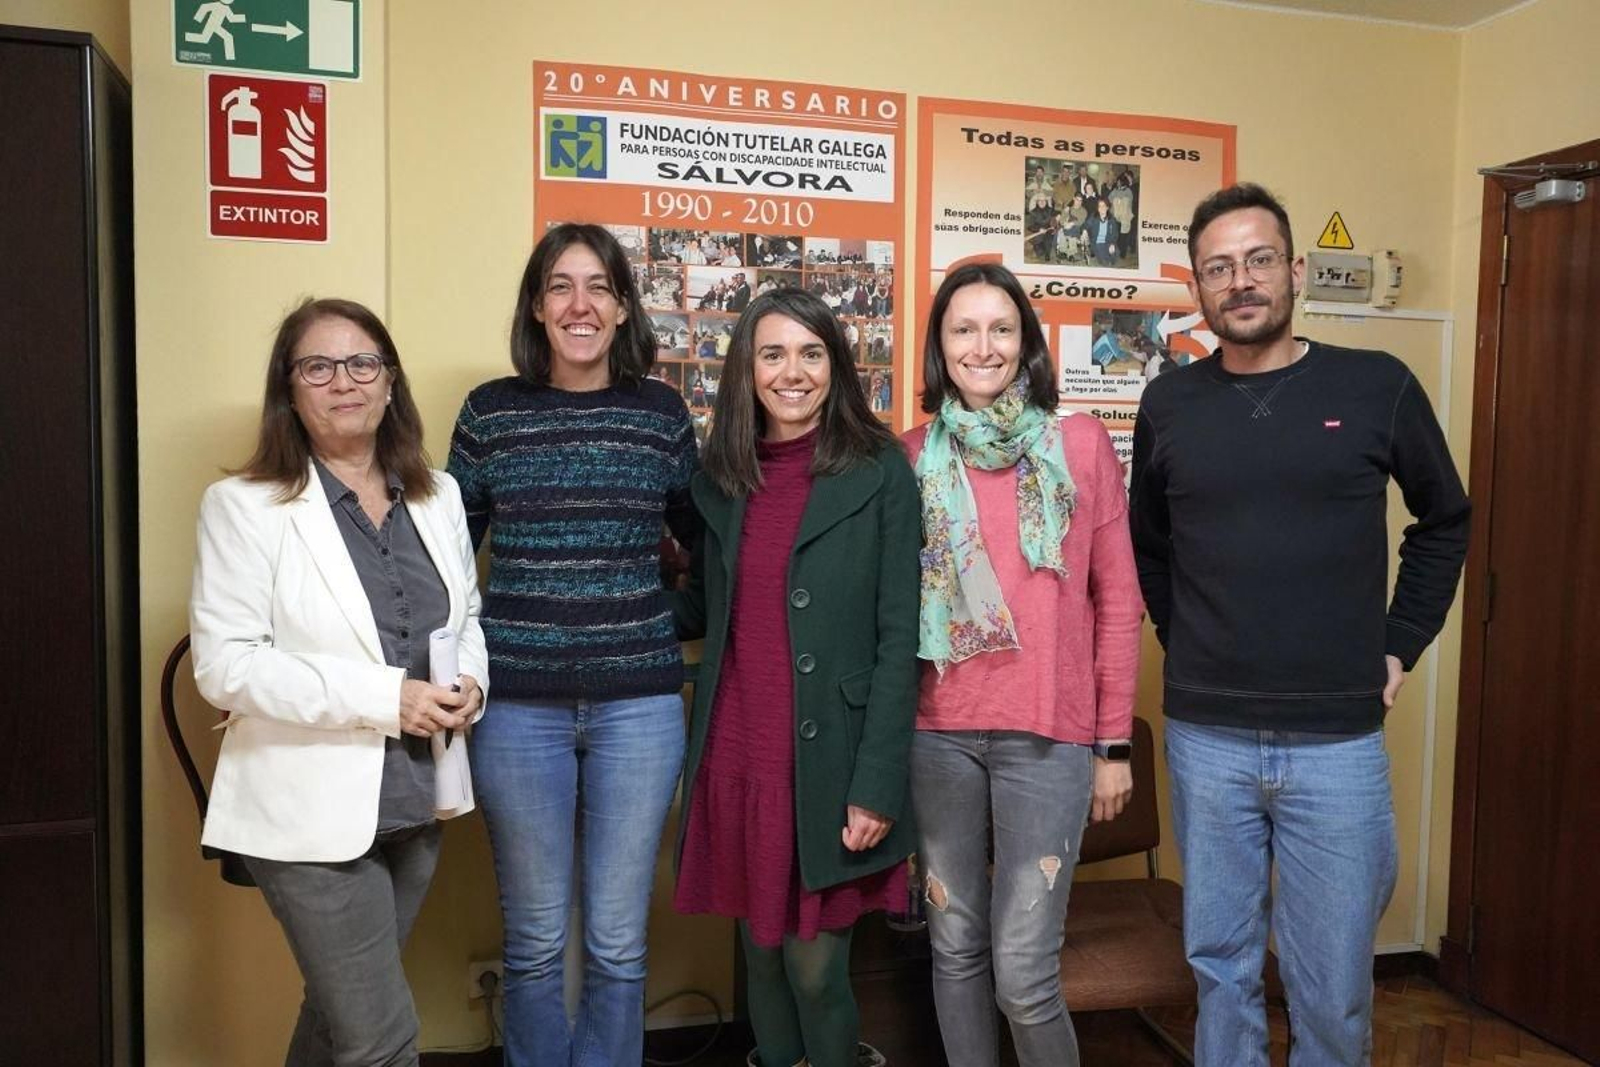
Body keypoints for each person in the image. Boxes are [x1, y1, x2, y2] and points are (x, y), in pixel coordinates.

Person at [1129, 183, 1470, 1067]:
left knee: (1332, 984)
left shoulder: (1377, 385)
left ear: (1296, 269)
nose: (1240, 281)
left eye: (1258, 259)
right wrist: (1183, 639)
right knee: (1221, 968)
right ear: (1197, 289)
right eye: (1218, 268)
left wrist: (1400, 640)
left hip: (1337, 743)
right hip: (1207, 737)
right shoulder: (1168, 404)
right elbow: (1149, 546)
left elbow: (1445, 518)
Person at [190, 297, 488, 1066]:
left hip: (417, 798)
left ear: (390, 381)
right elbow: (226, 664)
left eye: (362, 362)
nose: (344, 380)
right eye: (318, 366)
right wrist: (389, 698)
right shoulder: (243, 507)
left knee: (335, 1020)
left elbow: (466, 617)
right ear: (289, 390)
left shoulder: (439, 495)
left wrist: (472, 685)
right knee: (381, 1041)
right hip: (305, 814)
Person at [448, 223, 700, 1066]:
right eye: (560, 285)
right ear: (536, 306)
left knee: (619, 940)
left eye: (599, 286)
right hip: (518, 709)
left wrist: (667, 618)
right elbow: (448, 558)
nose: (579, 304)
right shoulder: (489, 412)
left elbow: (705, 539)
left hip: (640, 709)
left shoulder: (660, 413)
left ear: (624, 307)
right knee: (534, 940)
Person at [674, 289, 919, 1067]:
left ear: (836, 365)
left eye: (811, 353)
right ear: (746, 369)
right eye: (773, 353)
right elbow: (704, 606)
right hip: (738, 753)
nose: (793, 372)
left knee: (814, 969)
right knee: (760, 959)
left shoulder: (880, 470)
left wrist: (877, 782)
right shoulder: (721, 478)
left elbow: (900, 638)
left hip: (833, 763)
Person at [906, 263, 1143, 1067]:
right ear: (940, 346)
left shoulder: (1079, 443)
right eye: (963, 329)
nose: (983, 346)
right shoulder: (911, 456)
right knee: (954, 948)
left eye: (1001, 328)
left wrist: (1113, 745)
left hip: (1048, 737)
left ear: (1025, 342)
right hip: (936, 734)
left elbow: (1119, 600)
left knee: (1024, 972)